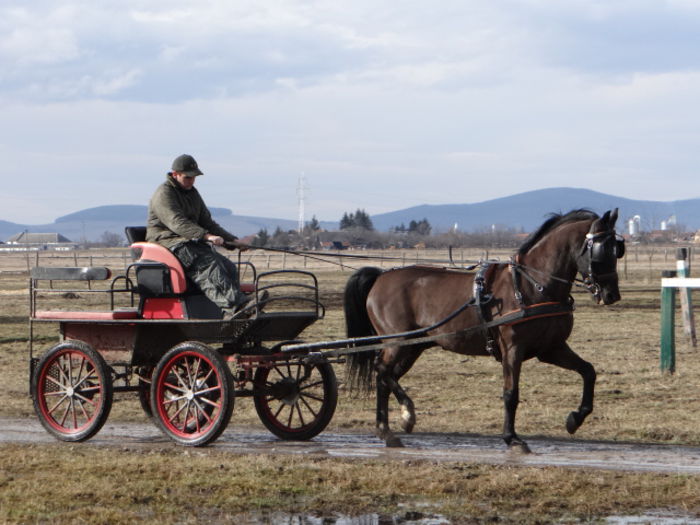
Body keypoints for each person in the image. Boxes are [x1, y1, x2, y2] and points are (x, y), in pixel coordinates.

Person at [146, 153, 253, 318]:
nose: (191, 180)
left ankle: (235, 308)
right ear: (175, 174)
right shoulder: (164, 194)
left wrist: (232, 241)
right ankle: (236, 306)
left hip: (189, 242)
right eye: (188, 177)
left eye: (194, 177)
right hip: (168, 243)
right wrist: (206, 236)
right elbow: (177, 223)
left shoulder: (192, 193)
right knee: (209, 263)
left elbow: (207, 222)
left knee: (228, 267)